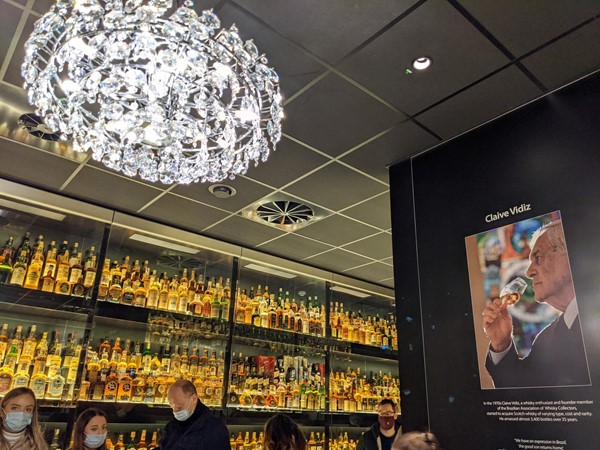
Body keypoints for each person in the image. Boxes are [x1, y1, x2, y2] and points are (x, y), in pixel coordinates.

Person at [483, 220, 590, 388]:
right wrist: (501, 344)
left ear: (571, 254)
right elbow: (521, 397)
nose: (528, 271)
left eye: (538, 257)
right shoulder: (545, 339)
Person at [159, 379, 230, 450]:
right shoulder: (172, 426)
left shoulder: (215, 429)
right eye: (172, 407)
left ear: (193, 399)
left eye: (179, 406)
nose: (175, 411)